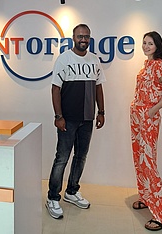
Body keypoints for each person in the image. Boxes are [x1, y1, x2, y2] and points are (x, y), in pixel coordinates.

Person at [46, 24, 106, 219]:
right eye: (80, 36)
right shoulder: (64, 59)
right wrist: (58, 116)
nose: (83, 39)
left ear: (90, 38)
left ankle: (71, 191)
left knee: (80, 157)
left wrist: (101, 112)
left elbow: (98, 87)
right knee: (61, 159)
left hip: (87, 119)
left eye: (87, 36)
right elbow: (55, 89)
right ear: (73, 38)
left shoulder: (94, 60)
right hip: (68, 120)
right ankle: (52, 197)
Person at [130, 31, 162, 231]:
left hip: (148, 118)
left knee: (148, 162)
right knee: (139, 158)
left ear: (157, 45)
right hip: (136, 117)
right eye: (144, 43)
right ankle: (146, 198)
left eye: (150, 43)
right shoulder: (146, 65)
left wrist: (152, 110)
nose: (146, 46)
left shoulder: (159, 65)